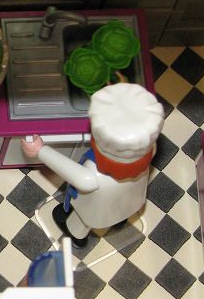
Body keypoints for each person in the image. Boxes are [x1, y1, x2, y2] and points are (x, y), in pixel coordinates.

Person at [21, 83, 164, 247]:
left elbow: (71, 172)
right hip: (131, 200)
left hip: (96, 208)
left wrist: (40, 151)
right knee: (121, 209)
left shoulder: (93, 174)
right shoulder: (149, 151)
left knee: (81, 221)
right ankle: (120, 220)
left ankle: (76, 234)